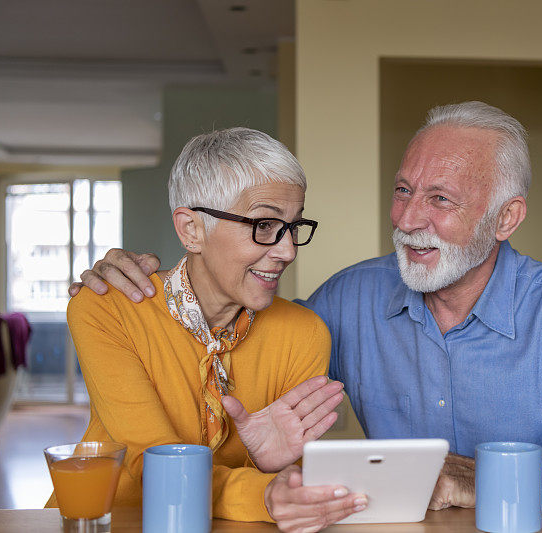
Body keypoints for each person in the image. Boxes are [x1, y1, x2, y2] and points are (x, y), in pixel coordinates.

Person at [71, 102, 542, 519]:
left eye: (440, 198)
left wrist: (513, 478)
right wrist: (139, 279)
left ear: (506, 217)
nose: (409, 219)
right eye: (404, 190)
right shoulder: (344, 303)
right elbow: (234, 316)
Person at [56, 128, 369, 530]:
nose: (287, 250)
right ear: (191, 230)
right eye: (265, 225)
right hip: (110, 522)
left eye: (293, 227)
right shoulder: (107, 308)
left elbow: (287, 492)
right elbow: (156, 466)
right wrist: (262, 492)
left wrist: (268, 466)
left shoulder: (304, 332)